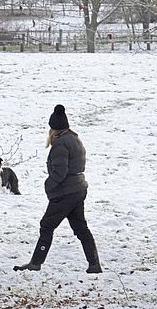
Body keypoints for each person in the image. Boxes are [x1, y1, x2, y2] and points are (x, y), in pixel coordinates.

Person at [14, 104, 102, 274]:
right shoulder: (75, 139)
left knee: (47, 225)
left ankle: (35, 263)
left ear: (53, 129)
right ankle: (94, 264)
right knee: (81, 228)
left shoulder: (60, 144)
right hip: (78, 189)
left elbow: (60, 172)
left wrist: (49, 185)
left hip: (65, 192)